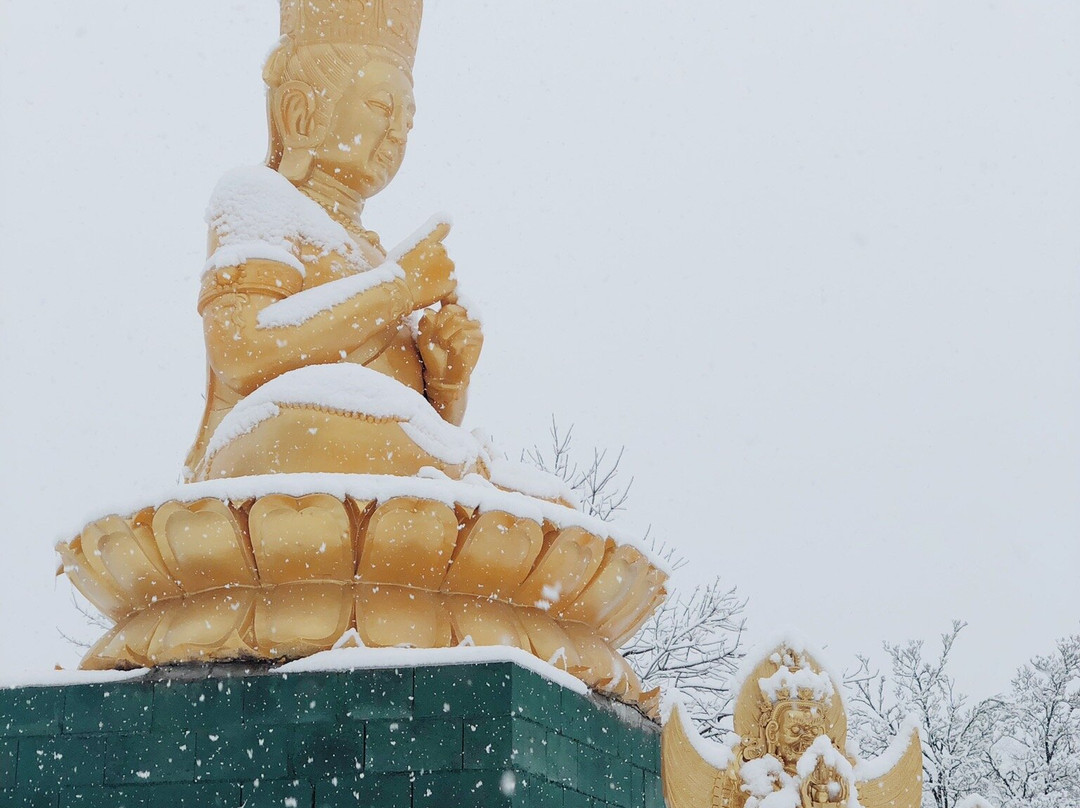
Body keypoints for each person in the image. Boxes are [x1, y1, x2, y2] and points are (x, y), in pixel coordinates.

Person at [184, 0, 483, 480]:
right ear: (301, 113)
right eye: (381, 106)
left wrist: (446, 384)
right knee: (310, 430)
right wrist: (399, 289)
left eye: (408, 120)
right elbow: (241, 353)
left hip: (381, 482)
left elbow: (419, 426)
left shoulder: (377, 256)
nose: (397, 133)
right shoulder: (259, 196)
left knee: (529, 499)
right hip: (288, 455)